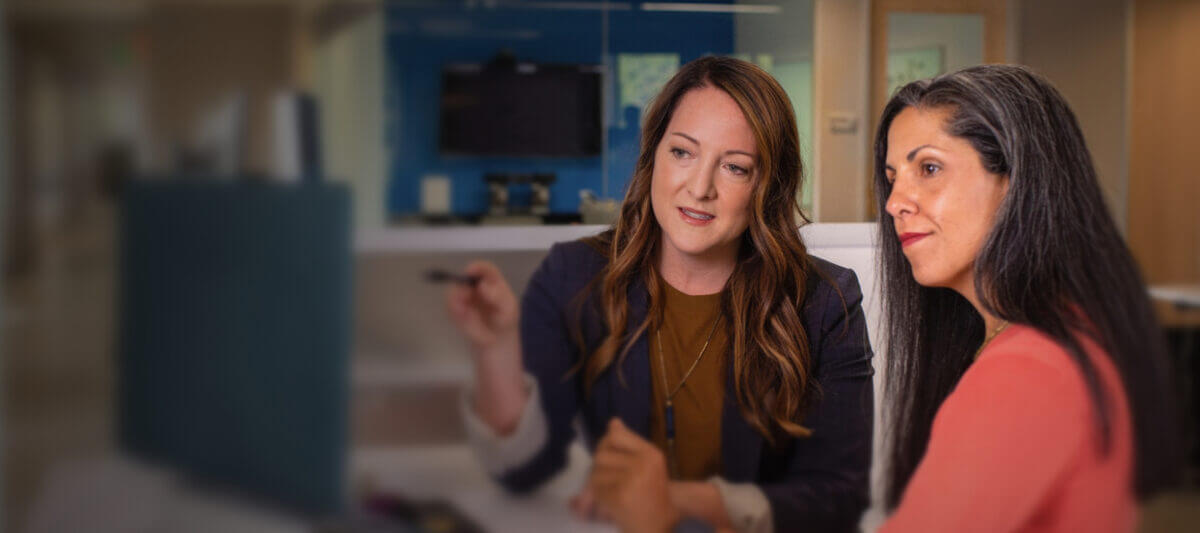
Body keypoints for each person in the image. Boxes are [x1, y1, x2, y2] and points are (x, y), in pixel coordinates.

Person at [446, 56, 874, 533]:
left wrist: (679, 501)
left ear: (766, 188)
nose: (699, 187)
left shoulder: (824, 301)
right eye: (682, 153)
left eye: (734, 167)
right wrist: (496, 348)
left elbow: (839, 499)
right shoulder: (574, 275)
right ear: (654, 155)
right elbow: (525, 470)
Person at [873, 65, 1183, 532]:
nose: (896, 200)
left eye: (929, 168)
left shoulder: (1028, 371)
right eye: (893, 176)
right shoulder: (1066, 331)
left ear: (1018, 181)